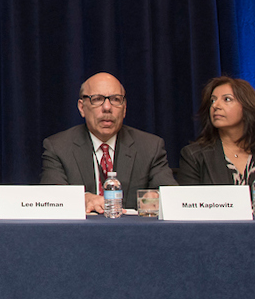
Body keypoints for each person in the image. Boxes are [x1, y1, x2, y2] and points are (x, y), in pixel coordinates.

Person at [41, 72, 177, 213]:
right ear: (82, 108)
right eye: (97, 99)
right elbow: (51, 198)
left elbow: (172, 196)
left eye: (116, 99)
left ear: (124, 109)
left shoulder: (150, 147)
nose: (107, 107)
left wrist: (157, 198)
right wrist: (84, 198)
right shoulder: (58, 147)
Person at [177, 77, 255, 186]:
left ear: (247, 107)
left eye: (227, 99)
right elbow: (188, 205)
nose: (216, 106)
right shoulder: (194, 156)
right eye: (212, 100)